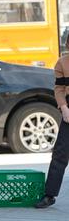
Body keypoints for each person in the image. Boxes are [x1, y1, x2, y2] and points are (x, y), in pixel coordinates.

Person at [35, 33, 69, 208]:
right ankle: (49, 195)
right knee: (60, 153)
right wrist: (63, 108)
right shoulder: (62, 63)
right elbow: (60, 88)